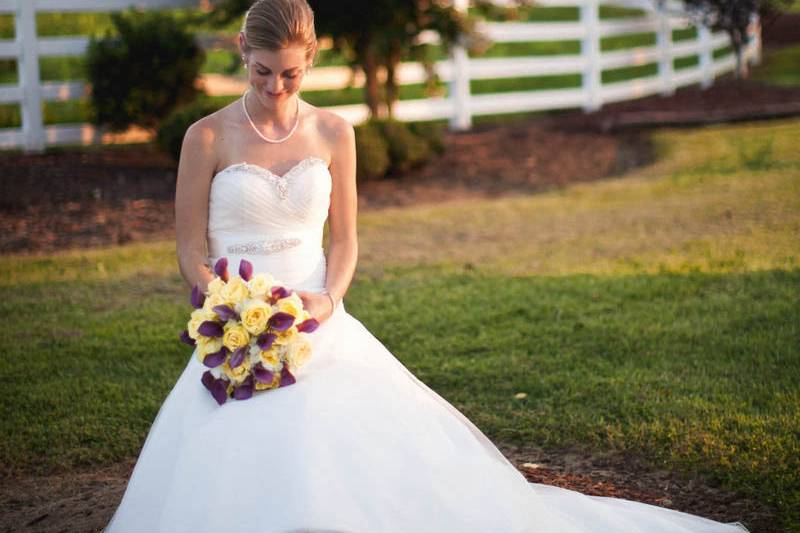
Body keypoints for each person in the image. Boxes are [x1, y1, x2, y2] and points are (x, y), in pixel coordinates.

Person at [104, 1, 750, 531]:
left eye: (291, 74)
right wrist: (220, 301)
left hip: (315, 314)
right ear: (243, 50)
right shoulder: (207, 136)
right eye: (264, 72)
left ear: (311, 61)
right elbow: (189, 241)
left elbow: (347, 238)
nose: (276, 87)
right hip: (234, 321)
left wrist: (329, 298)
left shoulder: (335, 133)